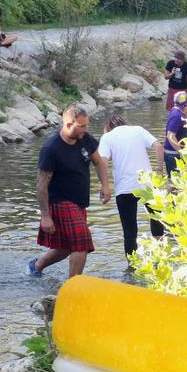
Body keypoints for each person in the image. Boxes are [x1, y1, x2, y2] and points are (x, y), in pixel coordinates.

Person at [29, 105, 110, 278]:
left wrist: (105, 185)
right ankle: (73, 287)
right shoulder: (50, 149)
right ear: (68, 125)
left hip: (79, 202)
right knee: (81, 243)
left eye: (86, 125)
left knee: (66, 248)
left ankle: (36, 266)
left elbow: (99, 162)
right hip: (60, 202)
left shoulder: (86, 139)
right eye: (82, 126)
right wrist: (45, 216)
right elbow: (41, 185)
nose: (85, 129)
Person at [97, 112, 165, 257]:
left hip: (124, 189)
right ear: (124, 122)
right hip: (147, 185)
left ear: (108, 127)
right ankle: (160, 258)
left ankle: (131, 268)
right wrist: (159, 171)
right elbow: (159, 146)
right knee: (157, 222)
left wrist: (105, 186)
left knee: (129, 233)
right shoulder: (138, 130)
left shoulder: (107, 137)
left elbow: (102, 161)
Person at [163, 91, 187, 177]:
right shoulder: (176, 116)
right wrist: (181, 152)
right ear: (185, 105)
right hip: (173, 155)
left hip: (173, 154)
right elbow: (170, 135)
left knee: (176, 184)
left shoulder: (175, 112)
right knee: (175, 183)